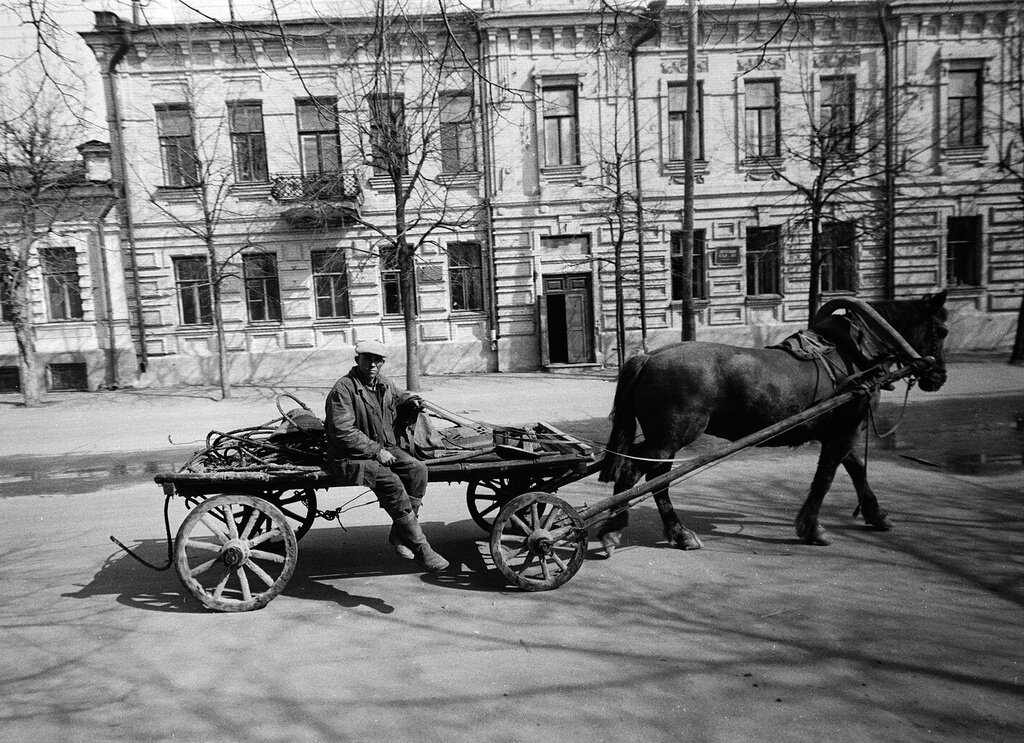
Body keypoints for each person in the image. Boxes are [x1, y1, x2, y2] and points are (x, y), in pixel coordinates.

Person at [323, 339, 449, 572]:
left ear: (382, 363)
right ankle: (421, 548)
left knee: (418, 471)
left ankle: (400, 534)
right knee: (392, 483)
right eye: (367, 359)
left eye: (377, 360)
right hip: (350, 457)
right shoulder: (343, 389)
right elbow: (342, 431)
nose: (372, 364)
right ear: (357, 360)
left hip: (383, 449)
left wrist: (412, 402)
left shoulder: (383, 383)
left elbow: (398, 397)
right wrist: (375, 450)